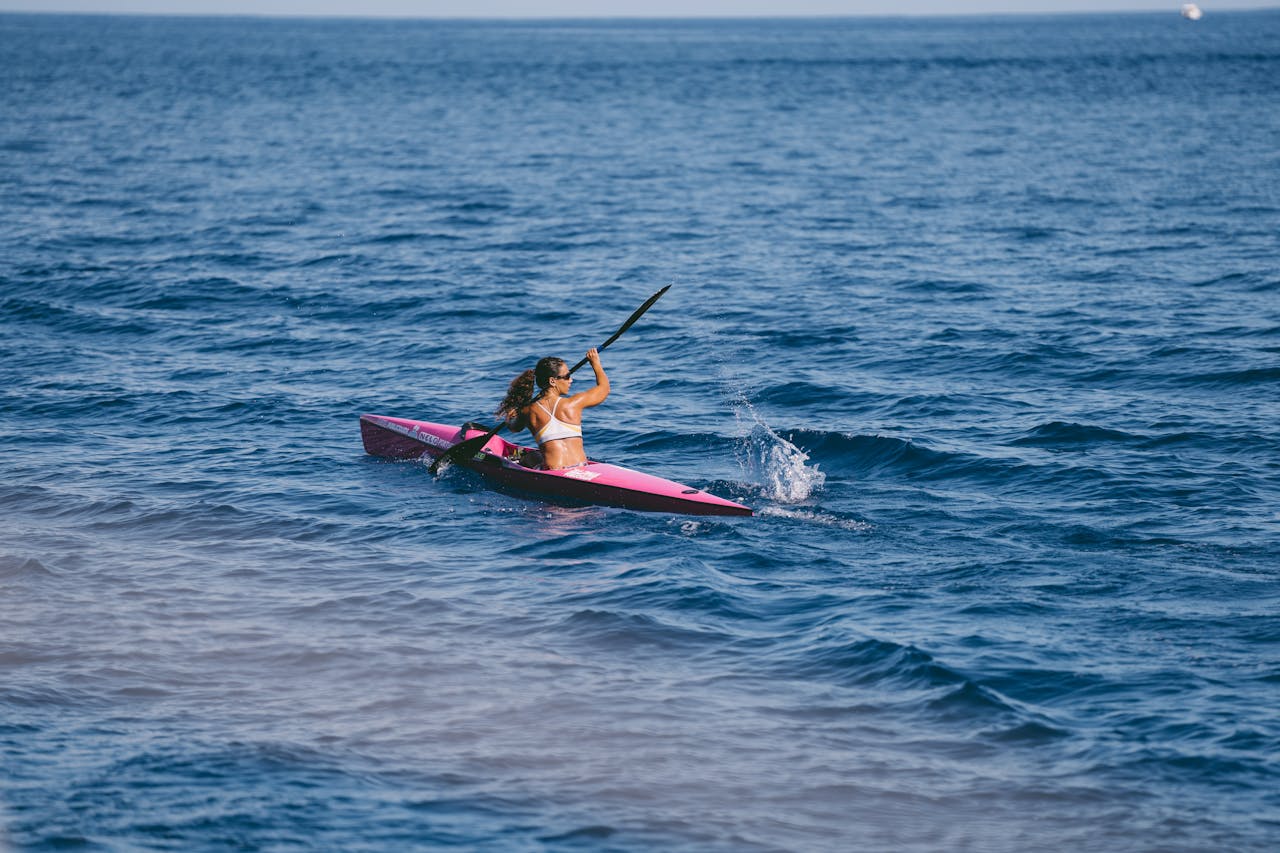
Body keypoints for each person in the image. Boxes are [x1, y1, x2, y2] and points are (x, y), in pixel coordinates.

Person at [495, 348, 609, 470]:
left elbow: (513, 427)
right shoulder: (573, 404)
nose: (571, 380)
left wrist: (511, 414)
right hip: (581, 468)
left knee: (531, 457)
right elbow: (604, 388)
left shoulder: (527, 411)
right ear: (552, 381)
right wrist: (595, 363)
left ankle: (517, 460)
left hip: (553, 472)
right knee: (534, 456)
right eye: (567, 376)